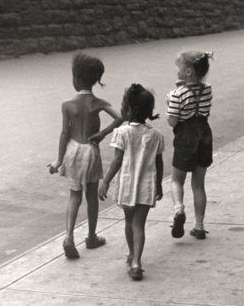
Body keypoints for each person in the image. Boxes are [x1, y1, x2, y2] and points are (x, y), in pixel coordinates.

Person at [48, 53, 123, 259]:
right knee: (91, 196)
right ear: (94, 80)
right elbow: (120, 117)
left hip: (72, 150)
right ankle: (91, 236)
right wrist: (103, 133)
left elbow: (64, 133)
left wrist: (58, 160)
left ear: (76, 79)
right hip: (90, 151)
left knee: (74, 196)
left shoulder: (67, 104)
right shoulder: (96, 103)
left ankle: (69, 237)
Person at [98, 84, 165, 280]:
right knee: (139, 225)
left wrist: (106, 182)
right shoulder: (156, 135)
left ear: (128, 110)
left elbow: (117, 161)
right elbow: (159, 164)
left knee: (129, 222)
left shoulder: (122, 133)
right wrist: (159, 184)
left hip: (127, 186)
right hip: (146, 187)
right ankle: (137, 261)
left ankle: (131, 255)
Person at [166, 50, 214, 240]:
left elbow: (172, 121)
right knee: (198, 184)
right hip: (204, 134)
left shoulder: (178, 94)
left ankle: (179, 209)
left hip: (185, 137)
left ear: (188, 72)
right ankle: (199, 226)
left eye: (178, 67)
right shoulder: (208, 89)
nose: (176, 70)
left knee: (177, 179)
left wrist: (170, 101)